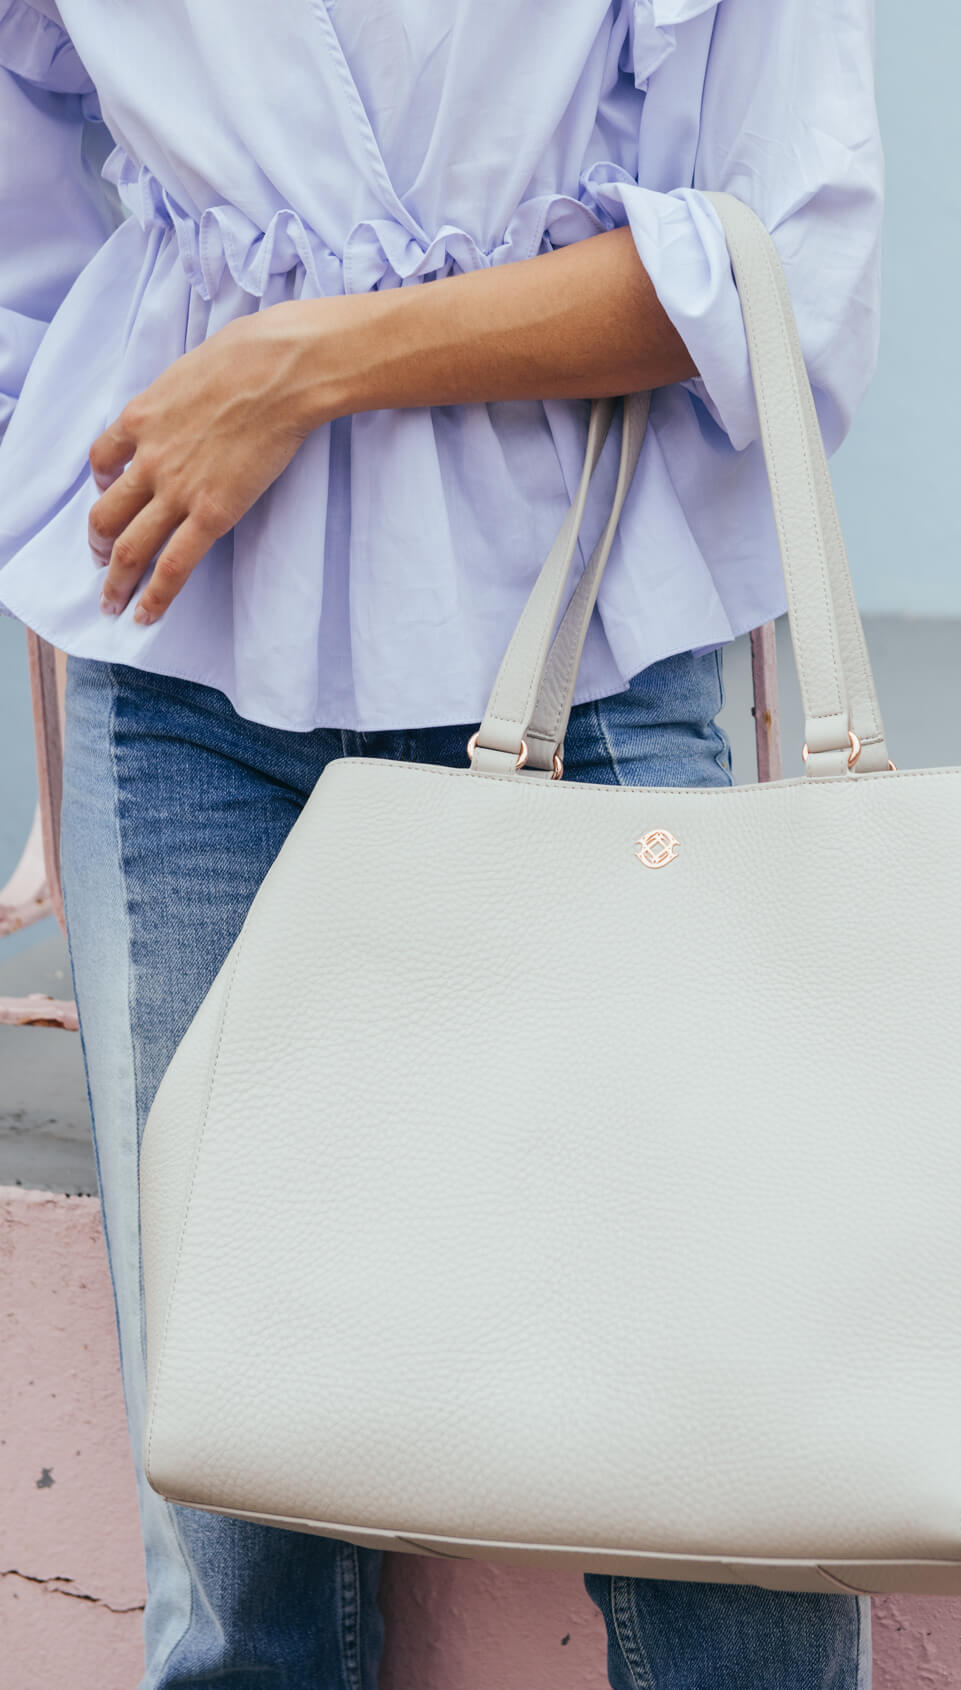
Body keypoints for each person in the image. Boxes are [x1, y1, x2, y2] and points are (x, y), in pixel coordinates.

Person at [0, 2, 882, 1684]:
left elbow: (791, 265)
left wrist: (308, 360)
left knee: (723, 1469)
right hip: (179, 645)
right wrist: (59, 456)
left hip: (593, 620)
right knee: (231, 1529)